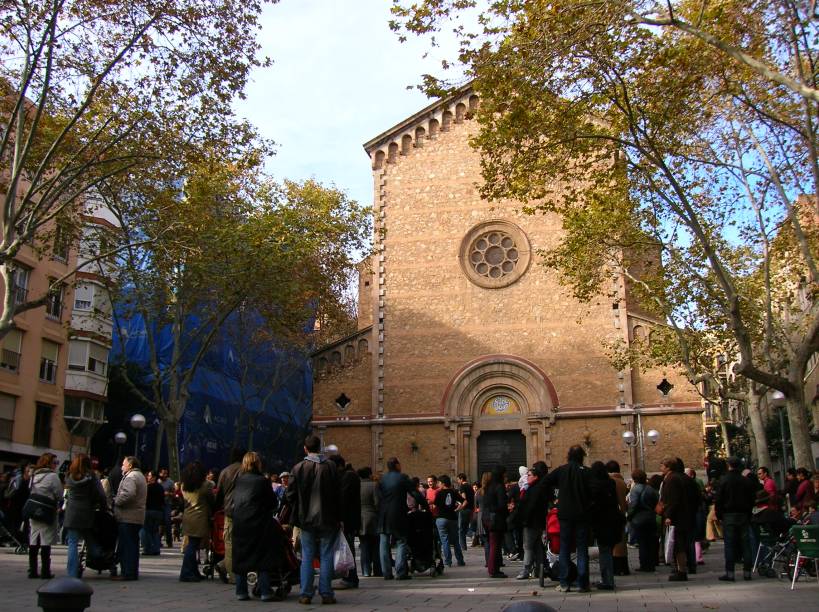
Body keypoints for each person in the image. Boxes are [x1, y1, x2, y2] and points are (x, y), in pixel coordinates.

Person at [286, 435, 341, 605]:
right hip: (328, 517)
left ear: (305, 448)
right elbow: (338, 493)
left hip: (306, 518)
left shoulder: (298, 468)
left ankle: (305, 593)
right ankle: (326, 593)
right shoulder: (331, 467)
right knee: (326, 555)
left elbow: (290, 495)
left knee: (307, 555)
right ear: (321, 448)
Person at [232, 452, 280, 601]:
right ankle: (265, 591)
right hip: (259, 523)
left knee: (240, 556)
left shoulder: (239, 480)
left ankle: (241, 591)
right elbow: (273, 503)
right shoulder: (262, 481)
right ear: (258, 463)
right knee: (263, 557)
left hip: (240, 522)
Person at [544, 445, 592, 592]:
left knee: (564, 547)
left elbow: (545, 482)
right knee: (582, 548)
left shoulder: (561, 470)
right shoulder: (587, 472)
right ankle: (583, 582)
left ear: (569, 456)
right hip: (582, 514)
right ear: (582, 457)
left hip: (564, 515)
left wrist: (553, 500)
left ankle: (564, 582)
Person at [64, 453, 106, 578]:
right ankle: (99, 554)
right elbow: (100, 494)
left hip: (72, 512)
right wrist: (102, 506)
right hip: (87, 511)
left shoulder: (69, 476)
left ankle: (72, 573)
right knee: (89, 537)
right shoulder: (92, 477)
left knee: (72, 542)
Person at [714, 456, 755, 581]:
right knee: (745, 543)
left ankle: (730, 572)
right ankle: (747, 572)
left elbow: (719, 499)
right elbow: (751, 498)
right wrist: (748, 512)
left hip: (729, 514)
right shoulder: (746, 481)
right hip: (743, 514)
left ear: (729, 465)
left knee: (730, 544)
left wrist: (719, 514)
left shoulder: (724, 480)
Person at [377, 456, 414, 580]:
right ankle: (400, 572)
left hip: (384, 515)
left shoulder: (382, 479)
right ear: (397, 465)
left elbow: (378, 497)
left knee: (383, 543)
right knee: (401, 541)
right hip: (398, 514)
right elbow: (414, 492)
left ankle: (386, 572)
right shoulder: (402, 477)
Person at [27, 453, 63, 579]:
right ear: (49, 463)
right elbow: (59, 493)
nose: (56, 465)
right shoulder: (53, 476)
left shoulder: (34, 475)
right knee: (45, 540)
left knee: (33, 538)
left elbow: (30, 490)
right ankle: (45, 571)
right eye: (55, 462)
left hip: (33, 509)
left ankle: (32, 569)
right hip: (47, 510)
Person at [112, 456, 147, 581]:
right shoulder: (140, 476)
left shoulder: (131, 477)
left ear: (130, 465)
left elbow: (129, 493)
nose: (122, 466)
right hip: (136, 516)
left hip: (128, 516)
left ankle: (128, 572)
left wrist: (117, 501)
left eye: (123, 464)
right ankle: (131, 571)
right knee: (132, 545)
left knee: (127, 545)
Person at [589, 461, 623, 590]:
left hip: (601, 522)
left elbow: (593, 505)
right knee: (607, 551)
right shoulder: (611, 483)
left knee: (604, 552)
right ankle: (608, 579)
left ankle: (608, 581)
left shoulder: (594, 485)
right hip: (613, 520)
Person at [330, 455, 361, 590]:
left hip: (347, 519)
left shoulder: (347, 477)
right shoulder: (347, 476)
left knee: (347, 548)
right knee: (346, 548)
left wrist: (340, 518)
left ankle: (351, 578)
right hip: (348, 518)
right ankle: (348, 576)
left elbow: (343, 499)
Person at [179, 461, 213, 582]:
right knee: (193, 545)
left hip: (188, 516)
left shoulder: (184, 486)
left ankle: (193, 571)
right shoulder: (206, 485)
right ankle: (186, 572)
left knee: (192, 544)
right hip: (200, 517)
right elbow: (211, 500)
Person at [215, 447, 245, 584]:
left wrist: (215, 509)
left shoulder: (225, 471)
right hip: (245, 511)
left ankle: (225, 568)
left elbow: (220, 494)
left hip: (229, 512)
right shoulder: (246, 470)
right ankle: (230, 571)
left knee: (229, 543)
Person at [515, 461, 550, 580]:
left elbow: (530, 506)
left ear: (536, 476)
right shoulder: (538, 487)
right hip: (537, 521)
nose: (526, 476)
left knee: (528, 546)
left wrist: (524, 518)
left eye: (529, 474)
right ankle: (541, 568)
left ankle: (526, 570)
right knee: (537, 546)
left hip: (531, 521)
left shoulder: (534, 489)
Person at [658, 457, 689, 581]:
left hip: (675, 518)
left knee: (677, 544)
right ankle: (679, 569)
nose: (660, 468)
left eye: (662, 466)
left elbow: (673, 500)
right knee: (676, 544)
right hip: (679, 516)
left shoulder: (672, 479)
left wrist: (669, 515)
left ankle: (681, 570)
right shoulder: (675, 478)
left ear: (668, 467)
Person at [628, 468, 659, 573]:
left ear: (634, 479)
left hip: (639, 518)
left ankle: (644, 564)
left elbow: (633, 505)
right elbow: (656, 502)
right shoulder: (650, 489)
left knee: (642, 542)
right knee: (651, 541)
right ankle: (651, 563)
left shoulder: (635, 489)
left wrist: (629, 516)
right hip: (651, 517)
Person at [433, 474, 466, 567]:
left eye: (439, 483)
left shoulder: (438, 493)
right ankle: (460, 560)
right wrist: (458, 508)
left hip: (441, 518)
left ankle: (448, 561)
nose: (438, 484)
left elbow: (435, 506)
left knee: (445, 541)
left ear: (443, 484)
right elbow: (464, 501)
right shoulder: (454, 492)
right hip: (452, 518)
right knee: (456, 541)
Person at [482, 465, 508, 578]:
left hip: (487, 518)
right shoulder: (499, 487)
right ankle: (493, 570)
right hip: (496, 519)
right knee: (495, 545)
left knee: (493, 544)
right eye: (505, 474)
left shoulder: (488, 487)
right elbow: (502, 505)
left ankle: (495, 568)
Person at [606, 460, 630, 576]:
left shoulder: (608, 481)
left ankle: (615, 567)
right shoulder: (622, 482)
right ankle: (623, 567)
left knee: (612, 542)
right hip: (621, 513)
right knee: (621, 542)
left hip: (611, 514)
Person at [358, 467, 381, 577]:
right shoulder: (374, 485)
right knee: (376, 545)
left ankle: (366, 571)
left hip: (361, 518)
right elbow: (377, 503)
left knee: (364, 546)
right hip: (373, 517)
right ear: (369, 474)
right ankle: (377, 570)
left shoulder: (357, 485)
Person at [141, 470, 164, 555]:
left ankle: (147, 549)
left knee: (146, 530)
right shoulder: (161, 488)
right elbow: (162, 500)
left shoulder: (147, 487)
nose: (148, 477)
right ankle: (156, 549)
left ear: (154, 477)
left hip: (149, 510)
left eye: (149, 476)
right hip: (158, 511)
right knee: (155, 531)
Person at [157, 467, 175, 548]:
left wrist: (169, 494)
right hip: (159, 504)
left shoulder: (170, 482)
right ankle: (158, 541)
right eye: (163, 473)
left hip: (167, 504)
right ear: (160, 473)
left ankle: (169, 542)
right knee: (159, 523)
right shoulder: (157, 481)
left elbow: (174, 493)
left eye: (166, 473)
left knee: (168, 523)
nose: (164, 475)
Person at [456, 472, 474, 551]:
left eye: (458, 480)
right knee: (466, 527)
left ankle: (463, 547)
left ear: (461, 479)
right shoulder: (470, 486)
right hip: (470, 509)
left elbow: (464, 499)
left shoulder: (462, 487)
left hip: (464, 510)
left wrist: (459, 508)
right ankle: (471, 535)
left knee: (461, 530)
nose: (458, 481)